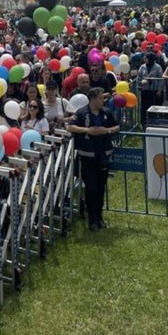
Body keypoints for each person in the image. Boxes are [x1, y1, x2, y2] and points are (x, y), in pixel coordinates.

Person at [67, 87, 119, 231]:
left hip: (103, 155)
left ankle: (100, 216)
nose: (103, 100)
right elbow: (70, 127)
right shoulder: (82, 113)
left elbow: (116, 127)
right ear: (93, 99)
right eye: (100, 98)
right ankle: (92, 220)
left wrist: (106, 130)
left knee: (101, 188)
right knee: (91, 188)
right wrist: (86, 130)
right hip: (87, 156)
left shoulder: (106, 113)